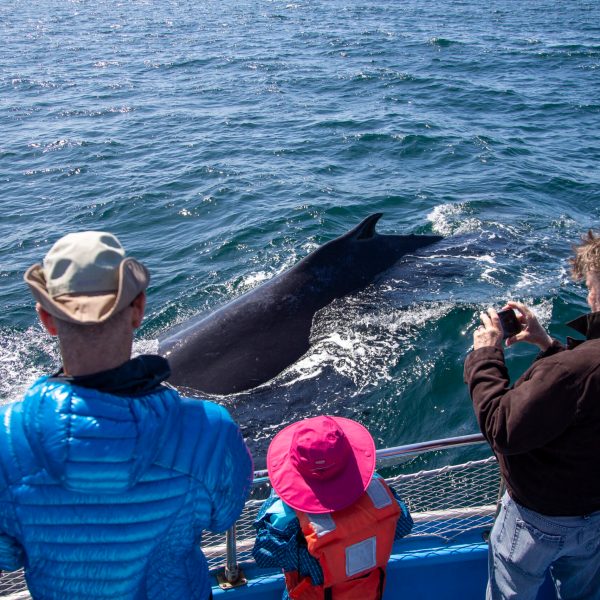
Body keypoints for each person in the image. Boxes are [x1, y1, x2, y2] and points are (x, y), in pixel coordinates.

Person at [0, 231, 253, 600]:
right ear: (138, 308)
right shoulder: (208, 429)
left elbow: (7, 555)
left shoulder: (6, 442)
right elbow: (224, 515)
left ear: (46, 319)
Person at [464, 230, 600, 600]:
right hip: (594, 514)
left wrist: (485, 356)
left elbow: (501, 428)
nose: (588, 296)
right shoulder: (577, 367)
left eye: (591, 286)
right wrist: (547, 344)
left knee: (511, 590)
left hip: (540, 520)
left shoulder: (574, 370)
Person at [252, 415, 413, 599]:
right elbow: (404, 525)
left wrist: (276, 497)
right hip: (367, 593)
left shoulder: (285, 522)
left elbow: (264, 556)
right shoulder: (380, 494)